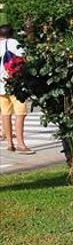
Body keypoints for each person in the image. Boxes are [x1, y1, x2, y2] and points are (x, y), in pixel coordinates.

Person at [0, 24, 34, 154]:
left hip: (0, 86)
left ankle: (9, 143)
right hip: (15, 85)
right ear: (11, 33)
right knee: (20, 114)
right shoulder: (14, 43)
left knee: (5, 114)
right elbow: (24, 59)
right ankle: (20, 144)